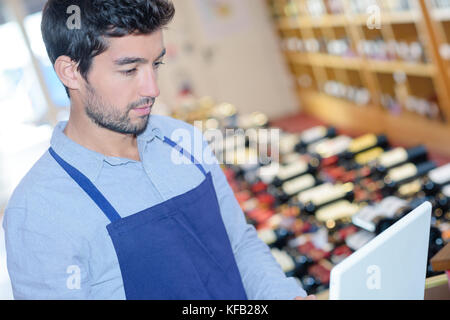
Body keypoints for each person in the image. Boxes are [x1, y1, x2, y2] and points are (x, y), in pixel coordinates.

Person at [2, 0, 312, 300]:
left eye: (156, 64)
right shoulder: (37, 212)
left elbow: (238, 243)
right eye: (129, 70)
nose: (153, 89)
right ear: (71, 72)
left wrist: (284, 295)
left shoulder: (184, 140)